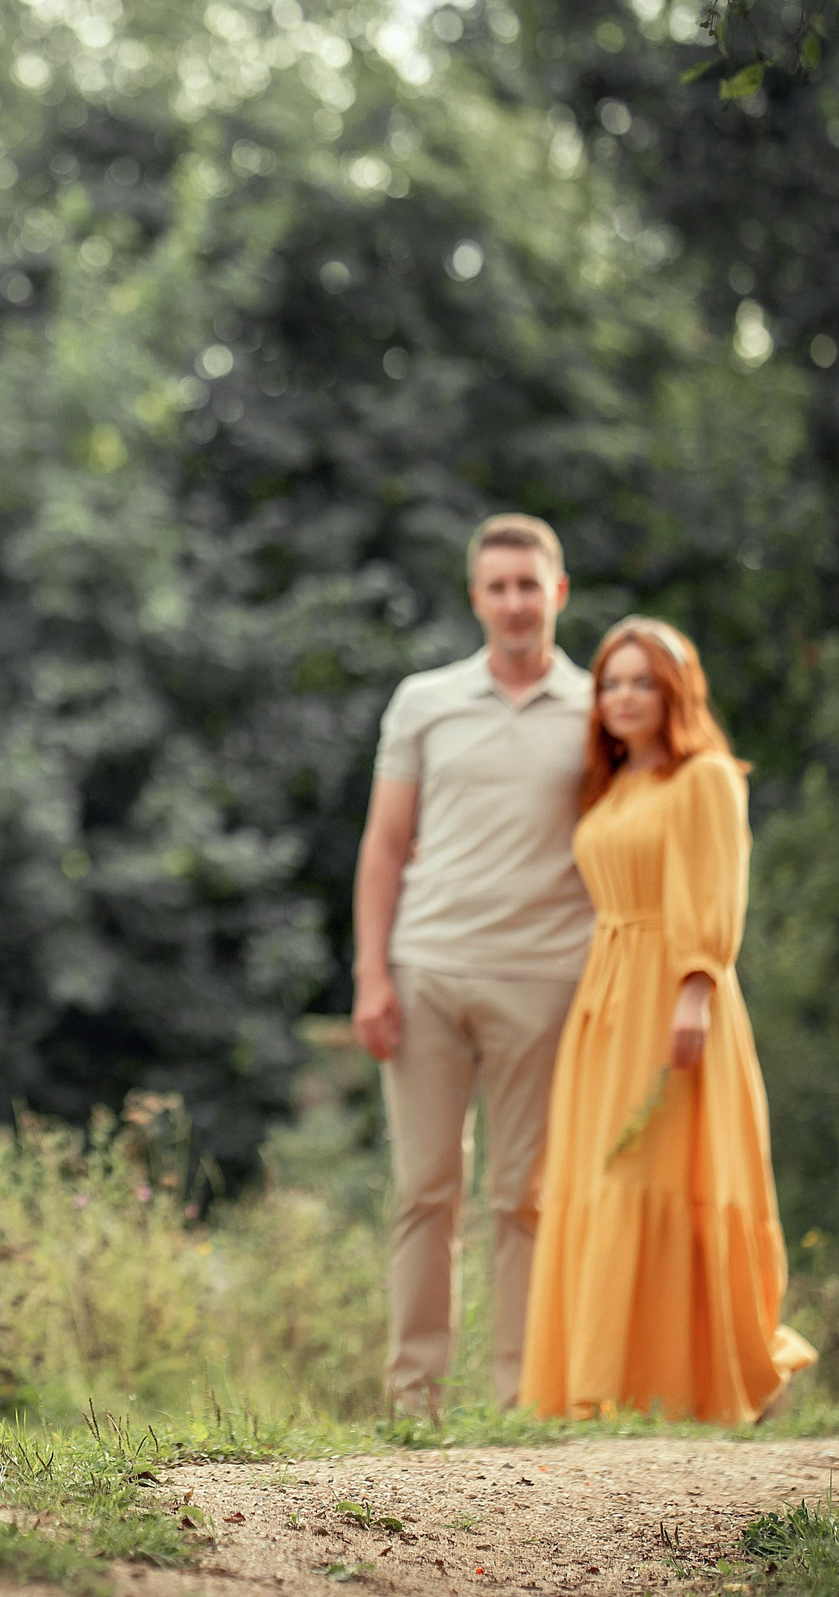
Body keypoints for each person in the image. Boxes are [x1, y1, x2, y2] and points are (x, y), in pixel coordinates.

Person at [520, 617, 815, 1421]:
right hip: (604, 995)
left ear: (675, 691)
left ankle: (682, 1381)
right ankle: (598, 1384)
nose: (621, 696)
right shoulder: (612, 785)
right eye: (611, 682)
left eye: (640, 680)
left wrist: (694, 988)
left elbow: (715, 891)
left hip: (672, 990)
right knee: (599, 1173)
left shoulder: (707, 776)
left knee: (659, 1170)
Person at [352, 514, 596, 1413]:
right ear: (475, 598)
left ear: (557, 592)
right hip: (428, 975)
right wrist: (372, 974)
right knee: (426, 1190)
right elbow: (384, 847)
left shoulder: (600, 705)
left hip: (546, 978)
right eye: (497, 587)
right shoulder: (424, 701)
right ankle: (414, 1397)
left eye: (529, 585)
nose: (515, 603)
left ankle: (520, 1398)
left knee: (523, 1196)